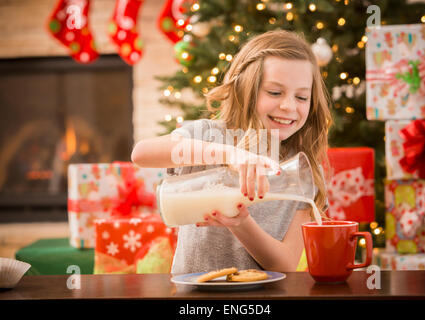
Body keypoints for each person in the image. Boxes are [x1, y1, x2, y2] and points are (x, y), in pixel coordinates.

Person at [131, 29, 332, 273]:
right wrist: (231, 154)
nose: (288, 106)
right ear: (246, 88)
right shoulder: (209, 136)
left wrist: (241, 223)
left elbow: (286, 264)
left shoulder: (302, 170)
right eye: (275, 92)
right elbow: (141, 154)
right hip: (194, 296)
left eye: (301, 97)